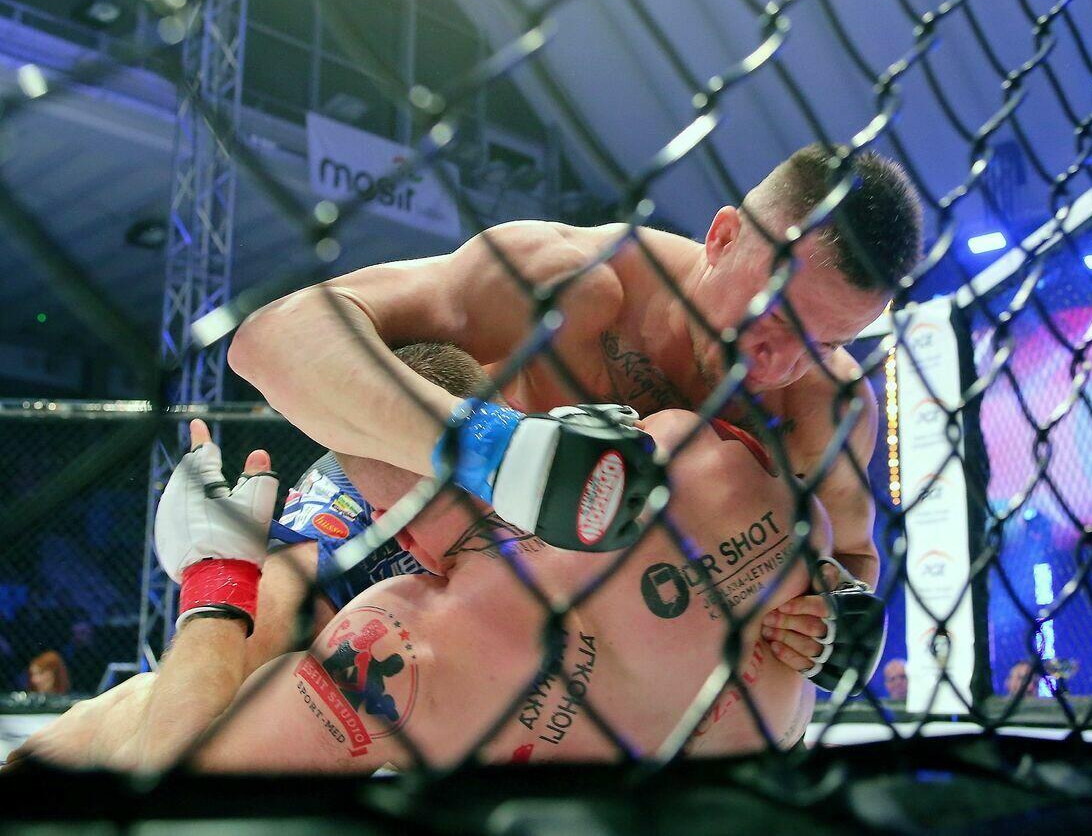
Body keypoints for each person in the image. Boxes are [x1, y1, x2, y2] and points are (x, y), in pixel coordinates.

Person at [9, 346, 884, 772]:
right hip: (753, 789)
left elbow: (181, 793)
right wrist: (837, 598)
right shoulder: (694, 454)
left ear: (378, 510)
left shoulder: (405, 640)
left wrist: (214, 576)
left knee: (189, 688)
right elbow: (815, 538)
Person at [228, 144, 923, 677]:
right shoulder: (580, 281)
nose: (779, 363)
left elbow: (851, 554)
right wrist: (498, 451)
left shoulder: (827, 408)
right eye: (775, 316)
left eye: (825, 342)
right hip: (414, 491)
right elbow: (272, 337)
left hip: (566, 606)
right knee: (252, 660)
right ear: (722, 238)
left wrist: (836, 612)